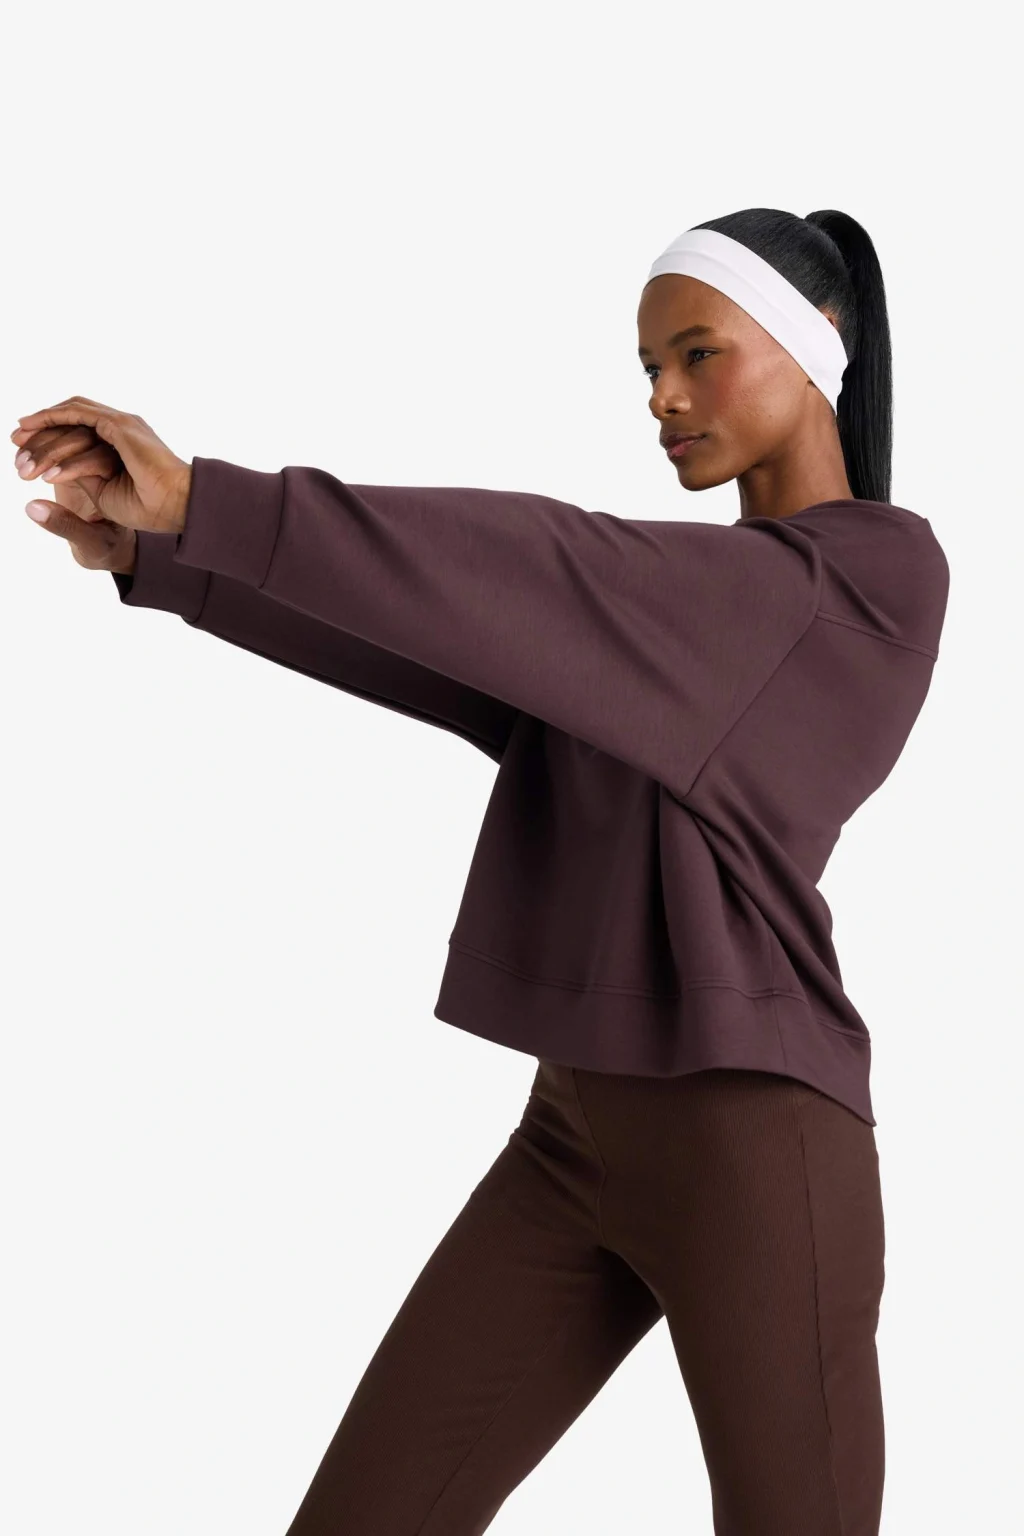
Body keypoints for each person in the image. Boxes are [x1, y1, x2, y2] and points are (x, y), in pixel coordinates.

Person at [13, 206, 949, 1535]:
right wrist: (172, 556)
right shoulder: (670, 625)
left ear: (818, 349)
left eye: (698, 354)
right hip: (576, 1134)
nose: (663, 397)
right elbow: (458, 649)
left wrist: (212, 502)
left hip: (755, 1149)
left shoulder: (871, 582)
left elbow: (548, 571)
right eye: (648, 368)